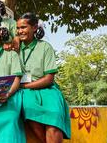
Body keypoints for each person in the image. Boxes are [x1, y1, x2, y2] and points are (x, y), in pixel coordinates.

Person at [17, 13, 71, 143]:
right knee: (29, 110)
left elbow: (48, 79)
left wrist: (25, 86)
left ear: (34, 27)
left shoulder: (45, 47)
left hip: (47, 88)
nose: (20, 31)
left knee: (54, 114)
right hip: (25, 91)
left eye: (23, 27)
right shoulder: (14, 49)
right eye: (18, 28)